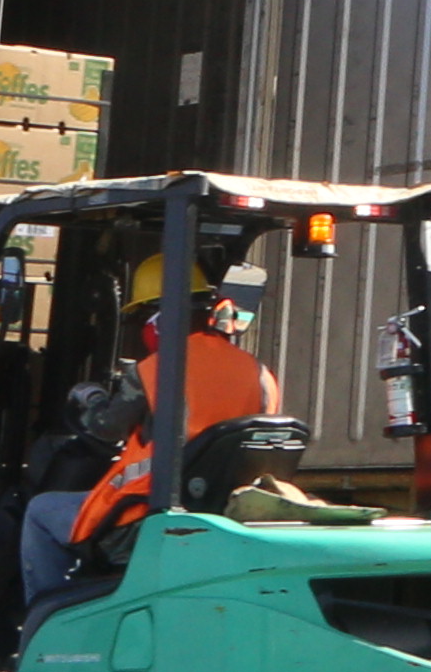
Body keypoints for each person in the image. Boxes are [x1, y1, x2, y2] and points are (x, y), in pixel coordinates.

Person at [21, 263, 280, 615]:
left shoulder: (156, 370)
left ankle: (47, 624)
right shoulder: (260, 374)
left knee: (40, 512)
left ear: (159, 318)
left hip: (142, 517)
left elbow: (105, 427)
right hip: (223, 516)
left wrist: (91, 397)